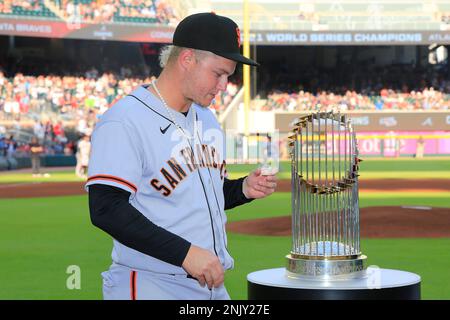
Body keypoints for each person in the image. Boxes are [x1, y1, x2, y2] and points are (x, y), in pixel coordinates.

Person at [86, 12, 277, 300]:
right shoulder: (125, 120)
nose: (224, 85)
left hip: (210, 285)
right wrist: (185, 253)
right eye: (219, 73)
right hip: (152, 284)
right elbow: (106, 208)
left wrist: (241, 189)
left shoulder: (207, 118)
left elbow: (197, 196)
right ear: (187, 59)